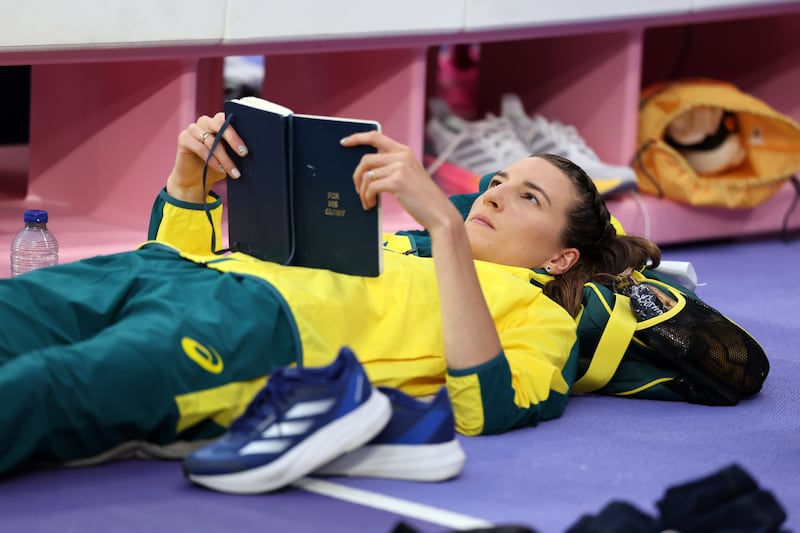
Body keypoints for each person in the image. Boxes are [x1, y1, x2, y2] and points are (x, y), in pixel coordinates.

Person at [0, 111, 659, 477]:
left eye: (528, 197)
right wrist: (188, 183)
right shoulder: (399, 244)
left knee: (41, 386)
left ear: (561, 254)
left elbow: (488, 406)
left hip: (250, 334)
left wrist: (444, 225)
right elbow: (183, 253)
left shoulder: (539, 312)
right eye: (498, 179)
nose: (492, 193)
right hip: (161, 270)